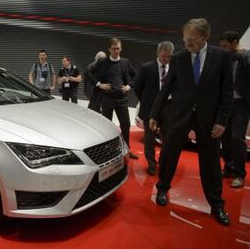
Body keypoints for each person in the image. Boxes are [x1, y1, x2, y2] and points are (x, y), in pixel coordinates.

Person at [149, 18, 233, 226]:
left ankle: (216, 204)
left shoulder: (221, 57)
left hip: (209, 118)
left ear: (206, 36)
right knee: (169, 154)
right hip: (180, 116)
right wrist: (154, 114)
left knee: (211, 162)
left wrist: (222, 120)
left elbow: (227, 91)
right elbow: (166, 88)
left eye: (193, 40)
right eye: (185, 39)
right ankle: (162, 189)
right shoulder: (178, 58)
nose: (188, 43)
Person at [90, 38, 138, 159]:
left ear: (121, 48)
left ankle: (127, 150)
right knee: (107, 127)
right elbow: (88, 72)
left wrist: (128, 86)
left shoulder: (125, 62)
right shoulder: (102, 62)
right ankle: (108, 151)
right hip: (107, 99)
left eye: (118, 48)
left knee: (126, 125)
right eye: (114, 48)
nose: (116, 51)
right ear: (109, 49)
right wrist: (99, 84)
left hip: (122, 99)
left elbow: (135, 75)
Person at [134, 41, 174, 175]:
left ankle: (163, 161)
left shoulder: (174, 69)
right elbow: (138, 87)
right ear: (158, 53)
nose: (165, 59)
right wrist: (146, 102)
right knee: (150, 139)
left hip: (168, 108)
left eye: (168, 57)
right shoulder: (147, 68)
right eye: (163, 56)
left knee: (167, 138)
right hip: (150, 109)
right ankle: (151, 163)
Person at [219, 31, 250, 188]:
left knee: (237, 139)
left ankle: (240, 174)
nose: (223, 49)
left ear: (235, 43)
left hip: (242, 104)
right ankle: (229, 168)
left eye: (225, 46)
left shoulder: (246, 56)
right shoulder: (225, 59)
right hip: (226, 103)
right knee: (224, 138)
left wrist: (241, 55)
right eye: (221, 46)